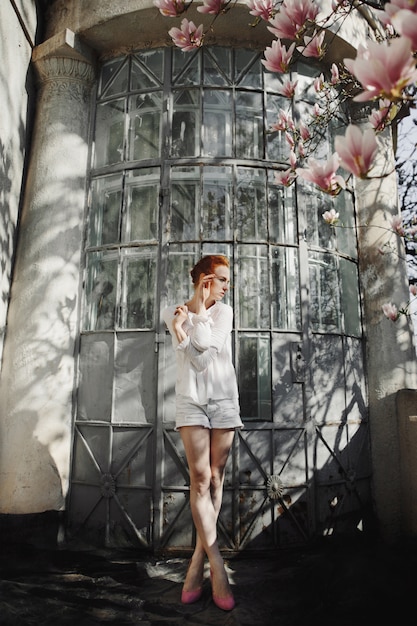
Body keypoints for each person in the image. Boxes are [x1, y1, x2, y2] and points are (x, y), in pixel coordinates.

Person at [163, 254, 243, 611]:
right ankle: (218, 565)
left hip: (223, 399)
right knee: (198, 480)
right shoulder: (173, 312)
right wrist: (184, 322)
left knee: (215, 478)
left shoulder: (223, 314)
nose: (227, 287)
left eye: (228, 281)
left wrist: (185, 330)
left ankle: (197, 562)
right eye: (221, 280)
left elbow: (203, 360)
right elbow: (194, 360)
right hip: (190, 402)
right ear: (204, 280)